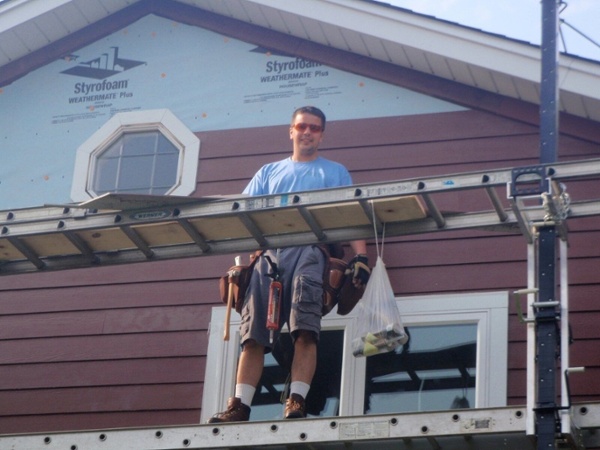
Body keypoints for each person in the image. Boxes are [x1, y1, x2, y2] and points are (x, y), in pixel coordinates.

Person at [208, 106, 370, 423]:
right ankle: (239, 406)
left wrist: (361, 257)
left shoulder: (334, 172)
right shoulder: (268, 172)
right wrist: (240, 264)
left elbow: (351, 215)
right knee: (252, 336)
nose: (307, 132)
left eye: (314, 128)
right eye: (302, 126)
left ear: (321, 134)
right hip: (268, 254)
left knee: (305, 330)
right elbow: (244, 217)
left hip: (311, 250)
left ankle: (296, 401)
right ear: (291, 131)